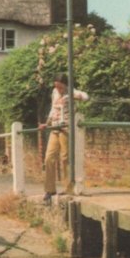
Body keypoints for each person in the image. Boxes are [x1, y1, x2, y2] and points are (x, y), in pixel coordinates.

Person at [39, 73, 89, 203]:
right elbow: (52, 108)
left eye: (61, 87)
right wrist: (47, 123)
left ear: (66, 85)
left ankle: (68, 188)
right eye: (57, 86)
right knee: (49, 157)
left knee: (65, 157)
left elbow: (86, 97)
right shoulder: (54, 92)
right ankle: (49, 190)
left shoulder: (71, 91)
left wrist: (74, 96)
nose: (59, 89)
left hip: (66, 127)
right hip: (55, 127)